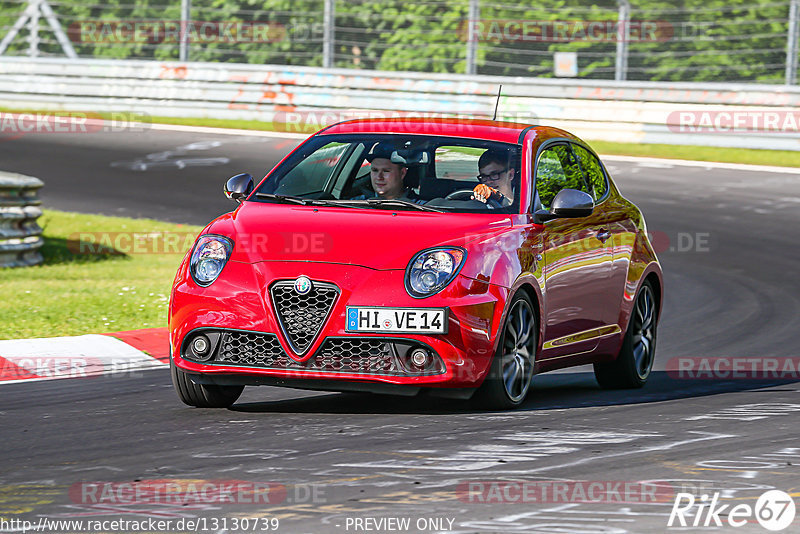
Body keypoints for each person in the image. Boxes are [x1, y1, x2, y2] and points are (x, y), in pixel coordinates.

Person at [353, 143, 424, 203]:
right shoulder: (356, 203)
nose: (379, 177)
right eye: (375, 170)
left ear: (402, 173)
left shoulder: (421, 206)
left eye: (386, 171)